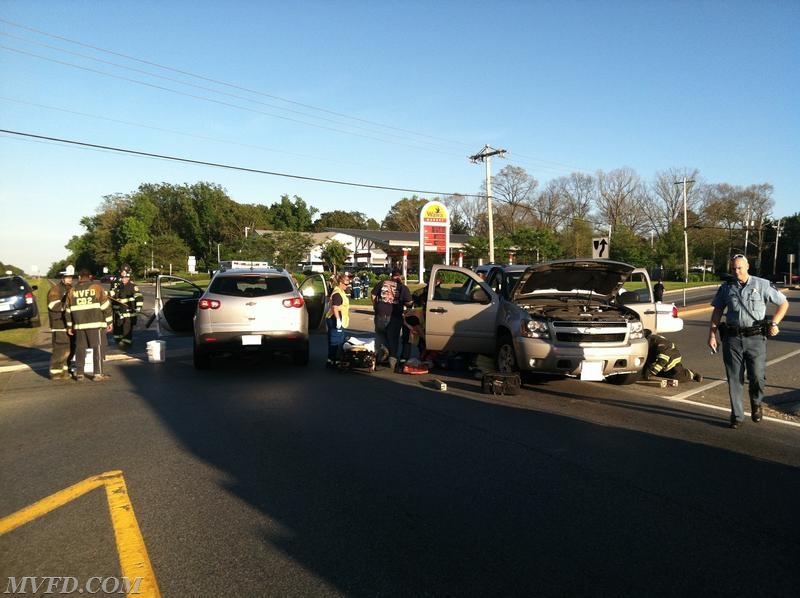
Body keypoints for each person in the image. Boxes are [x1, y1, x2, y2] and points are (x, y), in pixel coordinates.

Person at [708, 254, 789, 429]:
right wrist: (712, 335)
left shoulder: (763, 285)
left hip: (756, 338)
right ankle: (737, 415)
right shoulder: (726, 288)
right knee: (734, 378)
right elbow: (717, 312)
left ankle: (756, 403)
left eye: (739, 268)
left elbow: (783, 303)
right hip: (733, 338)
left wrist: (774, 323)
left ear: (747, 267)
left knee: (757, 377)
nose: (736, 271)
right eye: (733, 268)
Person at [65, 268, 114, 381]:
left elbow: (68, 311)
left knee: (80, 349)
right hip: (96, 325)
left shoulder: (72, 290)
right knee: (98, 348)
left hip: (79, 326)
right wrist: (109, 322)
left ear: (79, 277)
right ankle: (98, 374)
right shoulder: (96, 288)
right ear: (90, 277)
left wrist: (69, 326)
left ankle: (80, 374)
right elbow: (106, 307)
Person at [371, 268, 413, 370]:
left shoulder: (382, 283)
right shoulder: (402, 287)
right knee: (393, 338)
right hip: (394, 315)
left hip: (380, 313)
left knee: (380, 335)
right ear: (400, 277)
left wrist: (375, 306)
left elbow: (373, 295)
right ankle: (391, 361)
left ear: (391, 275)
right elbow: (409, 302)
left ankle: (380, 359)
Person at [46, 265, 76, 380]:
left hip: (69, 324)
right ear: (63, 277)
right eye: (68, 277)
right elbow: (53, 305)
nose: (70, 279)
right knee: (60, 350)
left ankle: (65, 371)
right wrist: (67, 306)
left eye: (71, 277)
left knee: (70, 349)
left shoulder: (71, 289)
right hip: (59, 324)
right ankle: (55, 373)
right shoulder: (55, 290)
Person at [109, 268, 143, 350]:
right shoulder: (120, 286)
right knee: (120, 326)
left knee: (127, 328)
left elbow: (139, 297)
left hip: (130, 312)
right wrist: (104, 294)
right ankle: (121, 341)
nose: (123, 279)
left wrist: (138, 308)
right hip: (122, 311)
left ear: (128, 278)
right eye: (122, 278)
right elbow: (113, 293)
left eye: (125, 278)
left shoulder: (133, 286)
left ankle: (127, 343)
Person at [325, 272, 351, 368]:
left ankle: (331, 359)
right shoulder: (337, 293)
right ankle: (333, 360)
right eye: (346, 284)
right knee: (336, 340)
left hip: (335, 319)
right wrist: (338, 320)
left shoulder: (340, 292)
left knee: (335, 339)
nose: (347, 286)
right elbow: (335, 308)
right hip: (335, 319)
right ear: (340, 282)